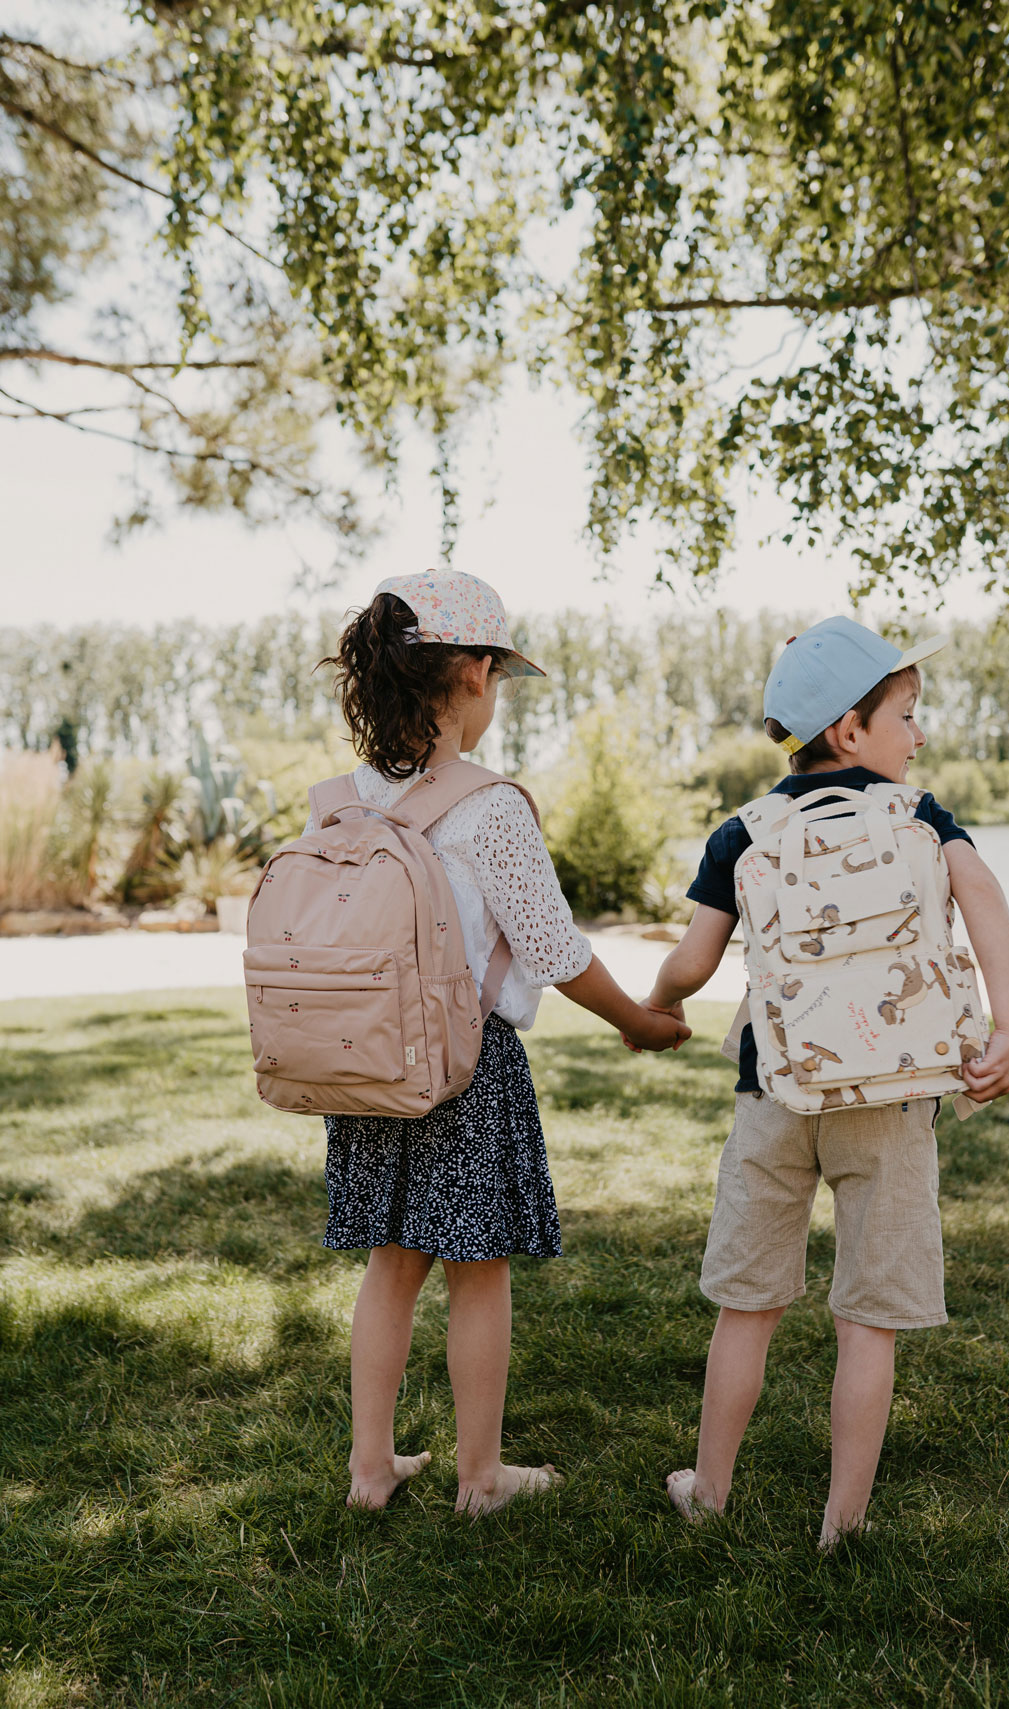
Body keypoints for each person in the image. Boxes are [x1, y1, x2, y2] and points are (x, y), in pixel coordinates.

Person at [636, 616, 1009, 1545]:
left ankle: (713, 1491)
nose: (917, 734)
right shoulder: (920, 816)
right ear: (851, 732)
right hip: (892, 1096)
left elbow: (692, 962)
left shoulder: (745, 831)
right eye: (905, 714)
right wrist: (1007, 1022)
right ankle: (840, 1523)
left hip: (774, 1092)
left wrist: (657, 1004)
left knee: (748, 1304)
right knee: (868, 1322)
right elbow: (986, 908)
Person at [316, 570, 689, 1518]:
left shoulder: (342, 799)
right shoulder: (490, 805)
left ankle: (370, 1469)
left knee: (390, 1264)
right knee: (477, 1272)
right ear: (476, 671)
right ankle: (478, 1479)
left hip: (365, 1062)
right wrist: (640, 1021)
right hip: (463, 1068)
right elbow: (555, 949)